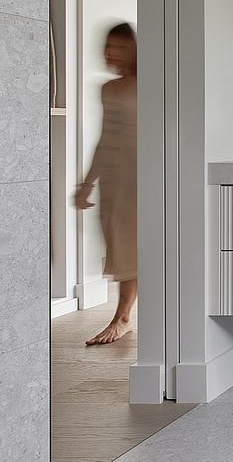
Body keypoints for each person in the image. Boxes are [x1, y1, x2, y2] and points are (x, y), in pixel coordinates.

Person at [75, 22, 138, 346]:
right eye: (109, 45)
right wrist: (87, 184)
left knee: (138, 245)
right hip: (116, 177)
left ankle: (123, 317)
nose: (112, 52)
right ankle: (124, 317)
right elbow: (105, 138)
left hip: (143, 176)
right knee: (120, 246)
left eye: (119, 46)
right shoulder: (108, 89)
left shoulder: (151, 84)